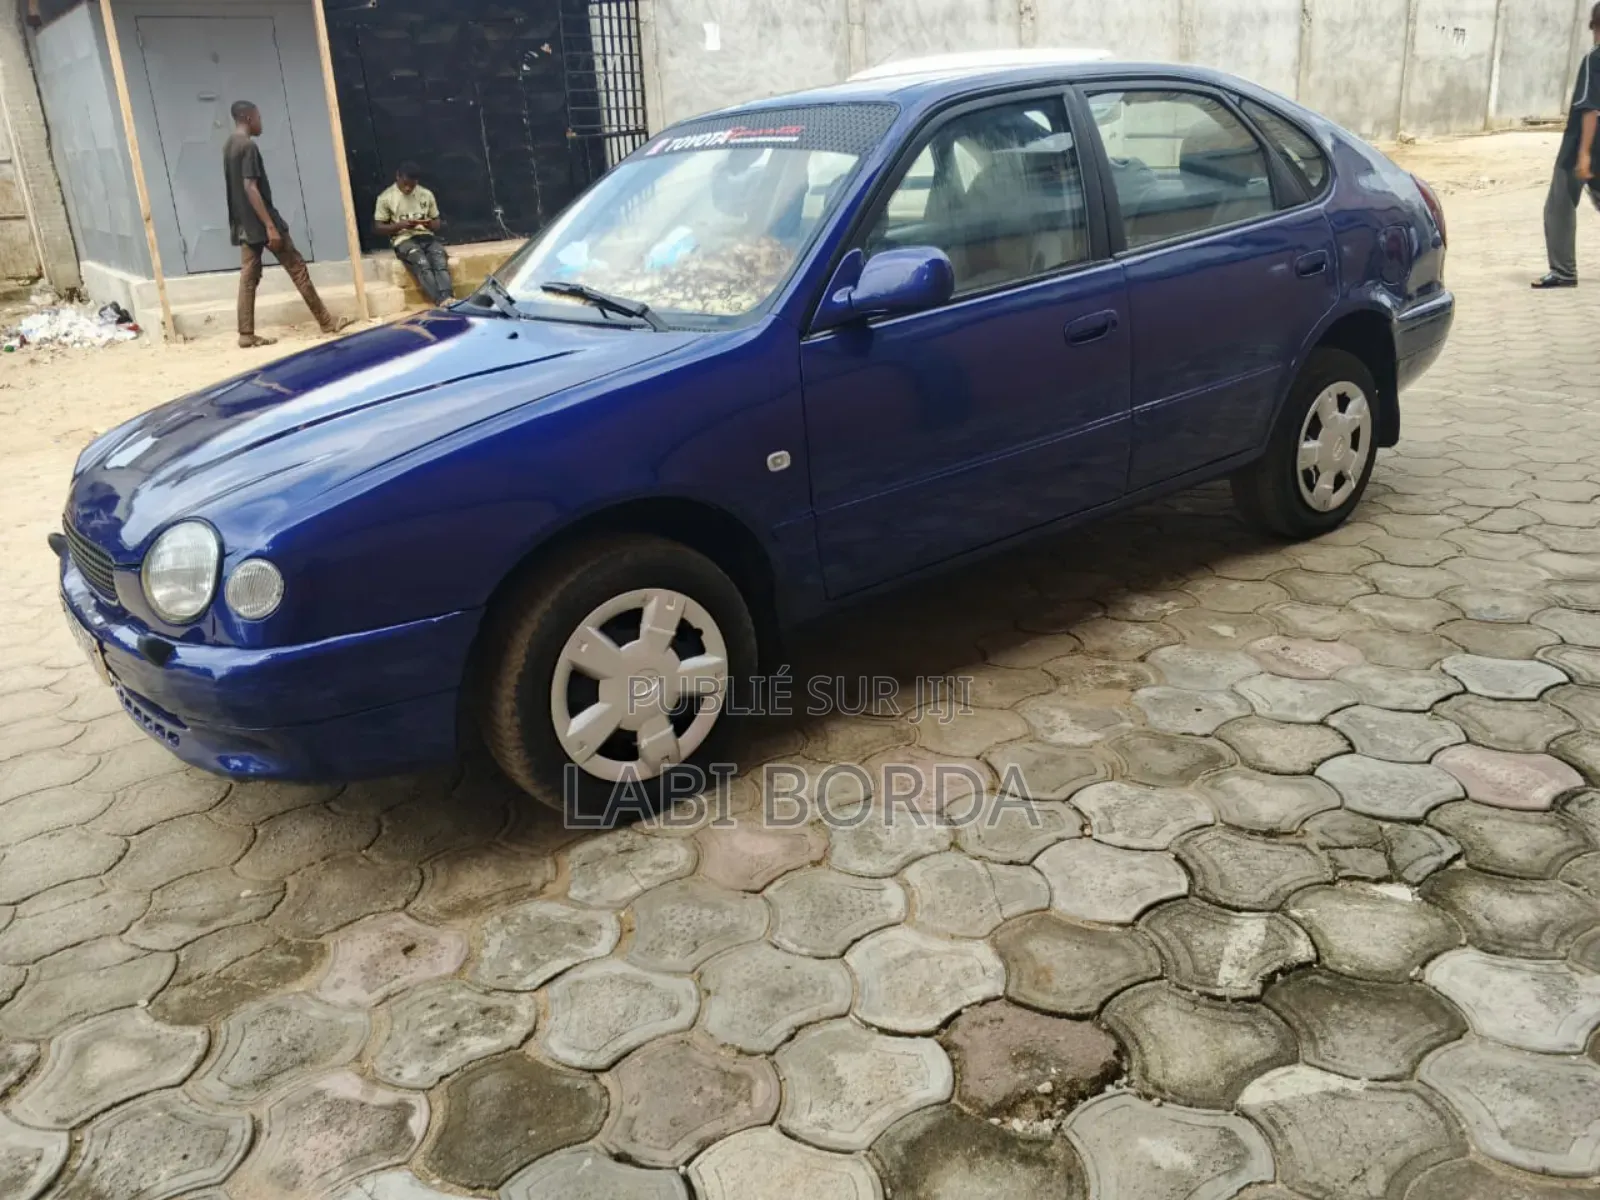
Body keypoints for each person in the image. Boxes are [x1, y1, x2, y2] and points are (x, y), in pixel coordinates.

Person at [224, 101, 352, 347]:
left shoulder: (229, 145)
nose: (261, 121)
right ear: (249, 118)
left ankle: (246, 333)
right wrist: (271, 226)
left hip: (245, 224)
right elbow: (250, 187)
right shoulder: (248, 146)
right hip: (263, 221)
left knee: (248, 277)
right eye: (259, 116)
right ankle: (326, 322)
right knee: (297, 267)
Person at [1535, 3, 1600, 288]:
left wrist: (1583, 153)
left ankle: (1563, 272)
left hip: (1582, 146)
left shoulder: (1594, 60)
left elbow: (1590, 109)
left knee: (1558, 206)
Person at [375, 162, 454, 305]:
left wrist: (430, 223)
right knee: (421, 263)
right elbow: (378, 227)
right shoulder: (386, 198)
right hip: (403, 239)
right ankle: (441, 301)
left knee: (439, 258)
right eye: (405, 184)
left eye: (412, 185)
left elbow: (437, 222)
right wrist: (400, 225)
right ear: (398, 177)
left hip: (426, 235)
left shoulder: (426, 194)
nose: (408, 188)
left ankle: (448, 298)